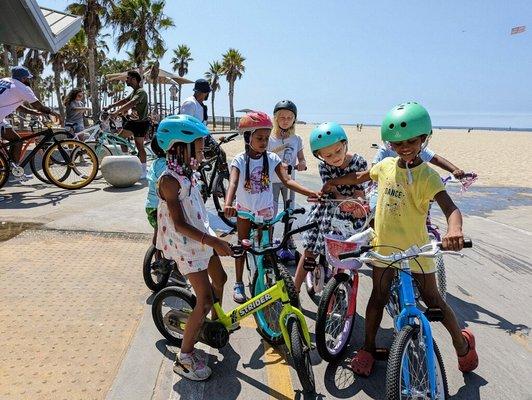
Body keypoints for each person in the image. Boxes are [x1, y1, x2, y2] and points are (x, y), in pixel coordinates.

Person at [322, 102, 478, 377]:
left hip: (417, 251)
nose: (404, 147)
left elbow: (451, 208)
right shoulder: (384, 166)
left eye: (411, 141)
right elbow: (360, 175)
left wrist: (455, 231)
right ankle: (368, 348)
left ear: (423, 139)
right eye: (396, 143)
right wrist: (334, 183)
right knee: (377, 298)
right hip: (383, 248)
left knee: (434, 300)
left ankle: (462, 344)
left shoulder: (428, 176)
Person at [155, 114, 232, 381]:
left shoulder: (189, 173)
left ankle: (211, 324)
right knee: (205, 298)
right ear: (180, 146)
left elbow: (196, 211)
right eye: (198, 147)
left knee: (220, 278)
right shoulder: (169, 180)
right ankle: (185, 357)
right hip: (187, 246)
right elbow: (179, 224)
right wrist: (212, 241)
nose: (202, 151)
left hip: (201, 237)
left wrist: (215, 233)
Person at [223, 111, 318, 303]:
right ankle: (239, 283)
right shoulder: (240, 160)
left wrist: (310, 193)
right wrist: (228, 204)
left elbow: (287, 181)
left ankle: (265, 276)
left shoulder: (273, 159)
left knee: (265, 247)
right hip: (245, 210)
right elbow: (232, 183)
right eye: (259, 138)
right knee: (242, 245)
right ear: (248, 137)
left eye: (266, 138)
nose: (264, 142)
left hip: (266, 211)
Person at [292, 122, 368, 294]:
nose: (334, 157)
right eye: (327, 155)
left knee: (347, 253)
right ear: (320, 156)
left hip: (351, 211)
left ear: (344, 144)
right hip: (329, 208)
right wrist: (344, 201)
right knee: (310, 249)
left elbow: (359, 191)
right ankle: (294, 290)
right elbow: (333, 192)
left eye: (338, 151)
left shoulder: (359, 162)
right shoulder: (324, 167)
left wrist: (357, 203)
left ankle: (338, 284)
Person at [0, 66, 61, 178]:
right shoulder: (23, 88)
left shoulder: (5, 81)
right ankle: (13, 171)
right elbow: (39, 106)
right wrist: (52, 112)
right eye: (28, 78)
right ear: (23, 78)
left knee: (12, 137)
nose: (30, 80)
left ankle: (11, 167)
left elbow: (18, 106)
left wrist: (35, 113)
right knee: (17, 141)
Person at [105, 70, 150, 179]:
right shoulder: (134, 91)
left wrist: (116, 112)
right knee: (120, 138)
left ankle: (144, 170)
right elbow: (125, 100)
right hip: (133, 122)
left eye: (128, 78)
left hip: (141, 123)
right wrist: (111, 106)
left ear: (134, 79)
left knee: (139, 146)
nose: (126, 80)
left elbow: (132, 103)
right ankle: (127, 159)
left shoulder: (141, 92)